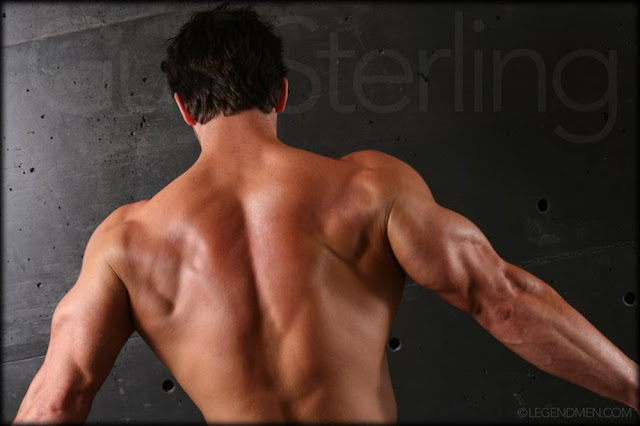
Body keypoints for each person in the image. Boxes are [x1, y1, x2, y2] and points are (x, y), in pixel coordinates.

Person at [13, 4, 638, 423]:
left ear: (182, 107)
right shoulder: (369, 188)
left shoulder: (125, 241)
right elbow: (502, 298)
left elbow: (56, 402)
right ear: (282, 92)